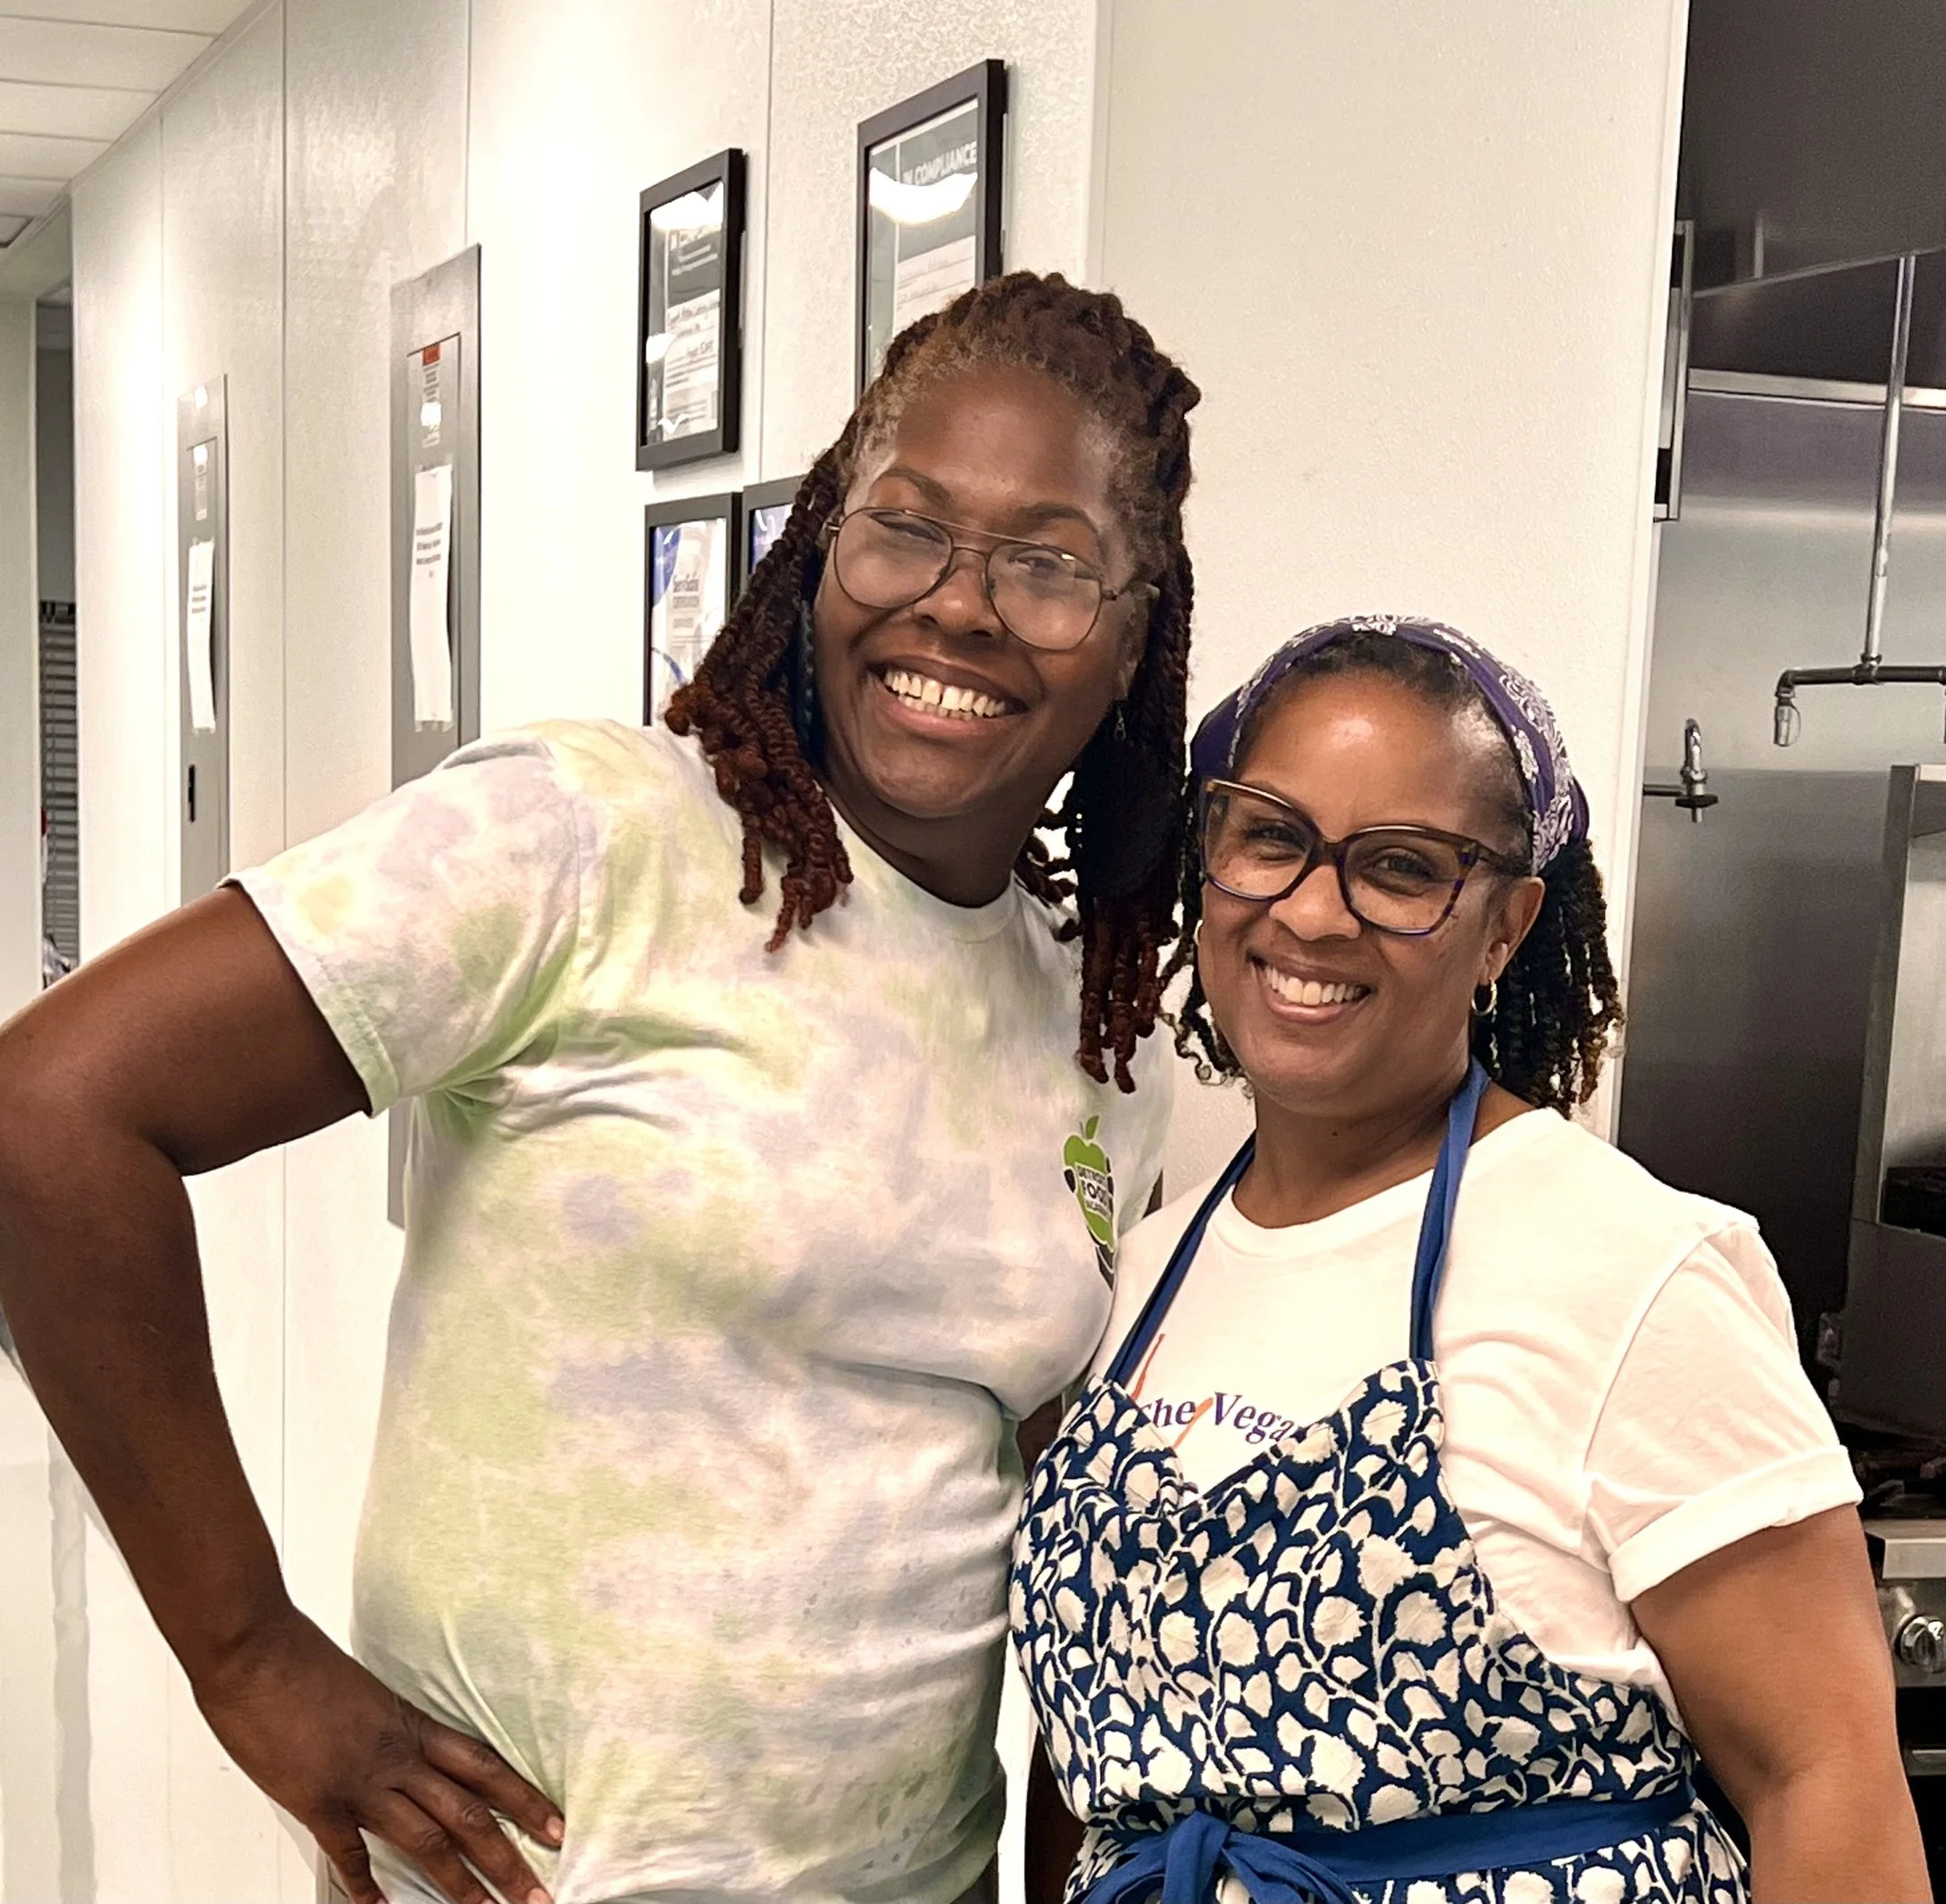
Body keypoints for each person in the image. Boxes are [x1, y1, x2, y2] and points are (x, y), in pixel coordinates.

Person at [0, 273, 1199, 1904]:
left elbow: (1055, 1524)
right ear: (822, 548)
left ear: (1133, 638)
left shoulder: (1098, 1021)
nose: (961, 607)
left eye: (1050, 565)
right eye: (904, 527)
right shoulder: (592, 839)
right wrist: (248, 1653)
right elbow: (49, 1112)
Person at [1012, 617, 1929, 1904]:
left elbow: (1823, 1778)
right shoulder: (1143, 1274)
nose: (1313, 912)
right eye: (1268, 837)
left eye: (1401, 869)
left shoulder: (1638, 1272)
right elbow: (1099, 1779)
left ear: (1504, 928)